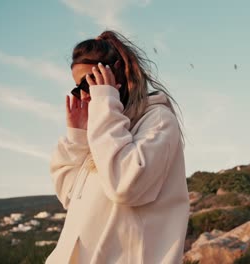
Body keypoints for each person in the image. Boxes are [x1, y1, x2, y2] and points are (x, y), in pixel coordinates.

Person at [46, 30, 190, 264]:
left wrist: (105, 102)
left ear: (115, 72)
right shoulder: (106, 130)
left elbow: (125, 185)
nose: (85, 94)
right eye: (78, 88)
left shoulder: (158, 120)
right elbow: (71, 196)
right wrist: (78, 137)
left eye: (90, 82)